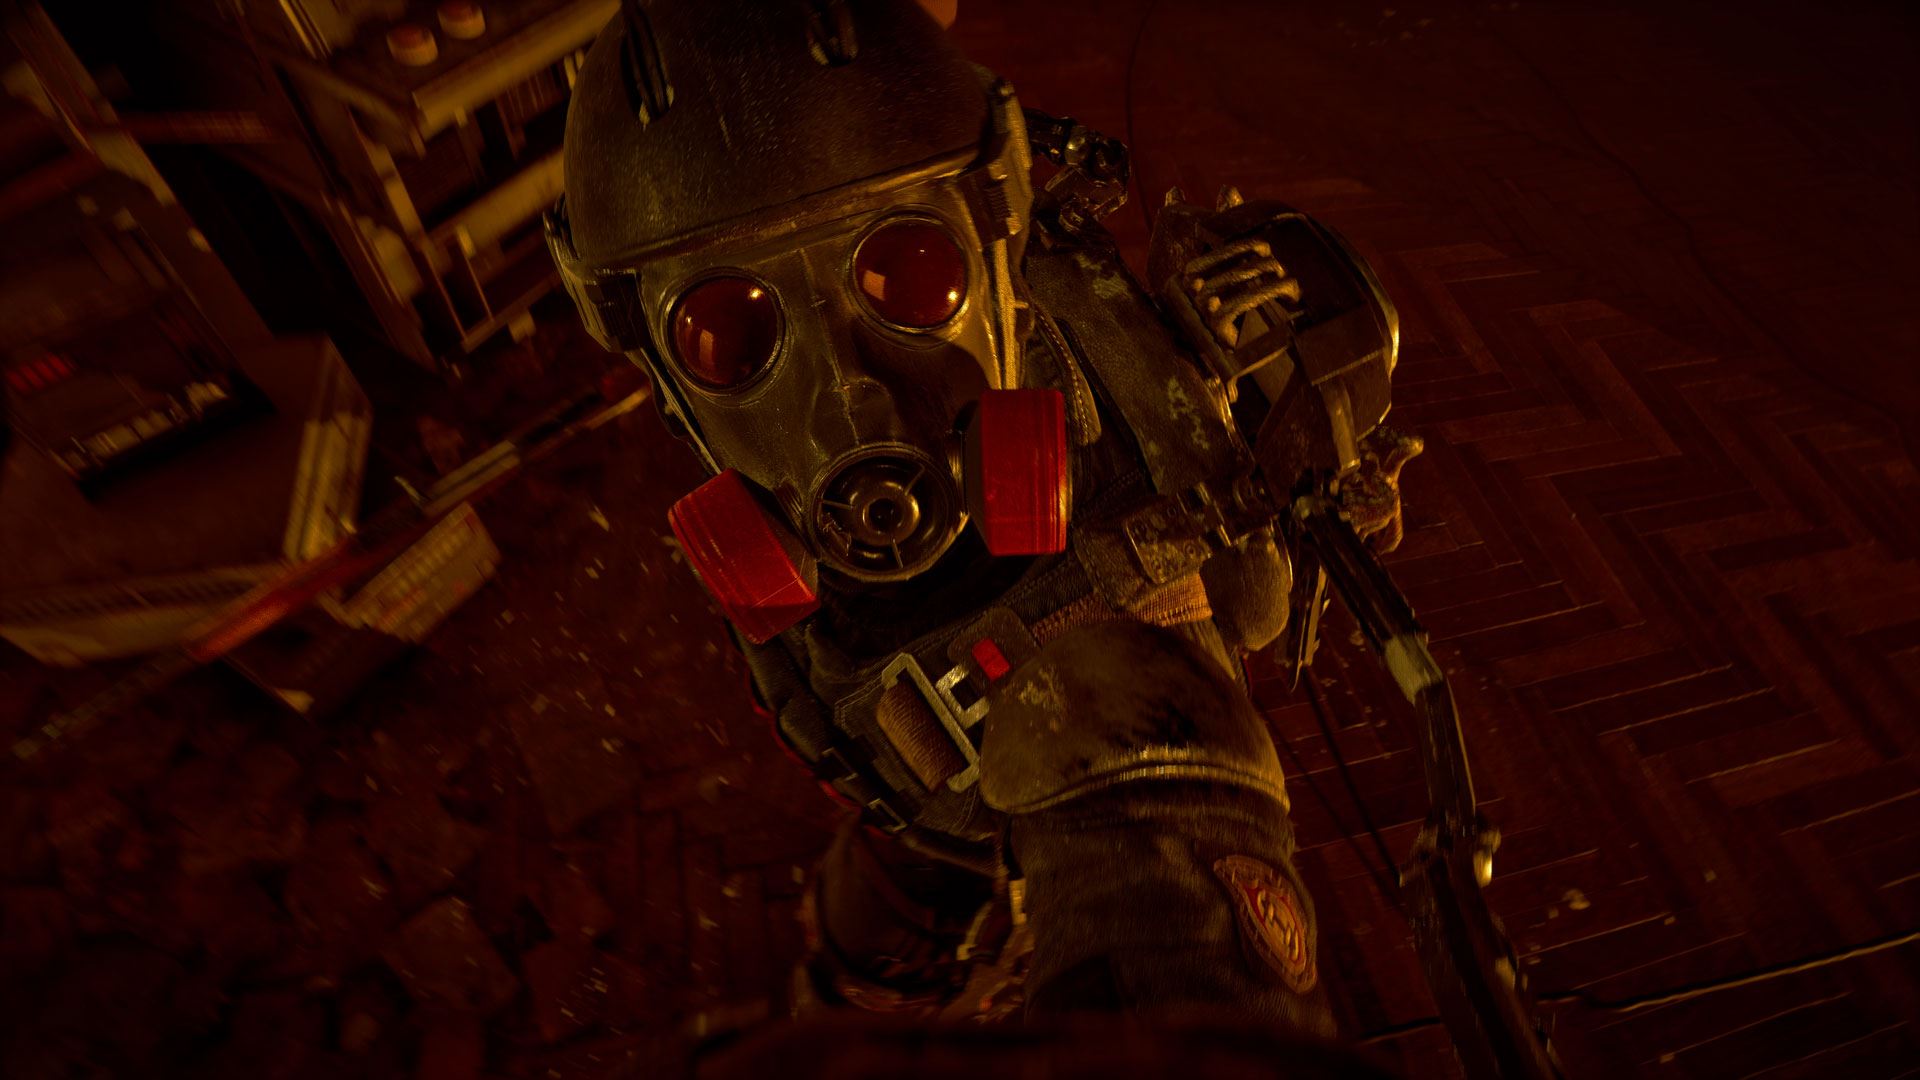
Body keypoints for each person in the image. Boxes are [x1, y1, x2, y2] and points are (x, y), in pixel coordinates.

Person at [546, 0, 1414, 1038]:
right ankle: (875, 984)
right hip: (929, 808)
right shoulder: (1053, 311)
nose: (854, 401)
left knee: (898, 888)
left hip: (925, 806)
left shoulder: (1083, 330)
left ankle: (870, 985)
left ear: (999, 237)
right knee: (903, 886)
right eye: (728, 338)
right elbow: (1253, 605)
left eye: (910, 278)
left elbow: (1254, 596)